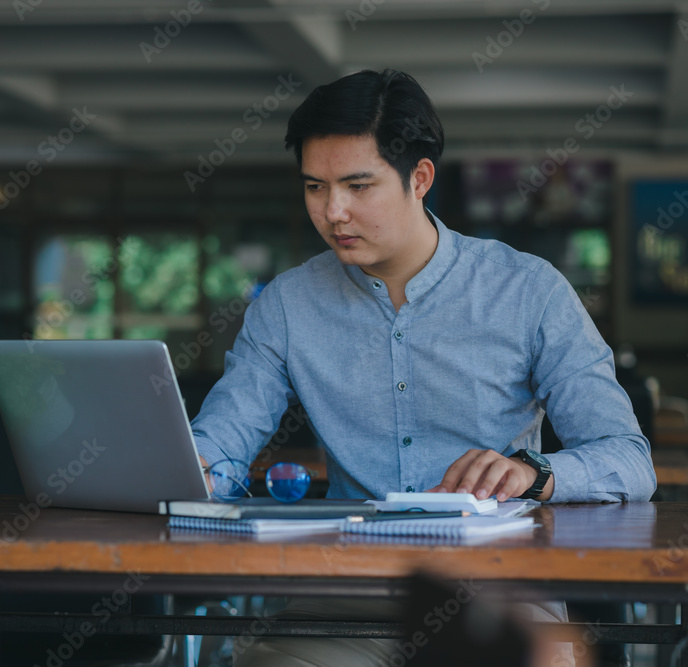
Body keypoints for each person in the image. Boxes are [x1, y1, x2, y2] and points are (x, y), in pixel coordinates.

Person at [189, 68, 656, 667]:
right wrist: (196, 469)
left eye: (358, 186)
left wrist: (532, 472)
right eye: (315, 187)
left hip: (500, 592)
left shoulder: (529, 291)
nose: (334, 212)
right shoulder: (285, 305)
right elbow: (222, 442)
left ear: (421, 178)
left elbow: (627, 457)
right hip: (344, 599)